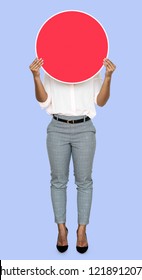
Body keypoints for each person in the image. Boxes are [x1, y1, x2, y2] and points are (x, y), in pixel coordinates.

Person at [29, 57, 116, 253]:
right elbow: (44, 100)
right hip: (57, 127)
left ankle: (82, 230)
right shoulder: (51, 69)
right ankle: (61, 229)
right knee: (58, 180)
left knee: (84, 181)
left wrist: (108, 77)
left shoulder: (92, 69)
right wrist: (36, 77)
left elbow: (100, 102)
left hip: (84, 128)